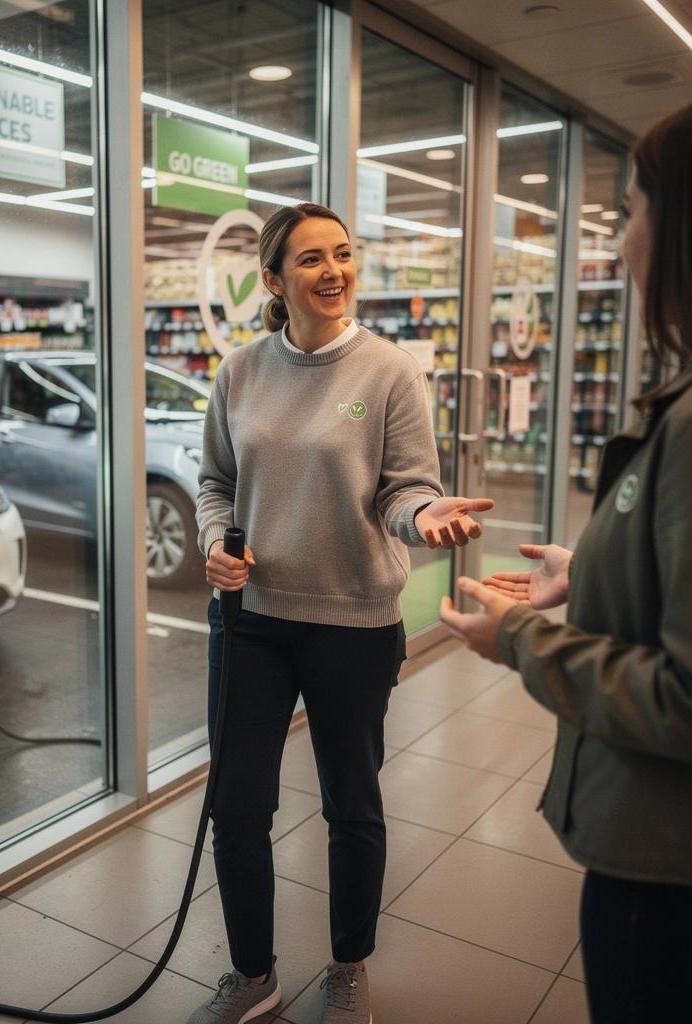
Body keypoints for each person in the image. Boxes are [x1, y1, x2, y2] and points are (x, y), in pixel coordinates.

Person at [187, 202, 493, 1024]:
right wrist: (215, 542)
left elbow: (407, 487)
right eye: (312, 260)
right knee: (239, 804)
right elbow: (215, 484)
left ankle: (349, 964)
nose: (334, 272)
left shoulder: (389, 371)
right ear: (275, 281)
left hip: (354, 620)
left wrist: (423, 517)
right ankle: (253, 975)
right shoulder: (240, 371)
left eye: (344, 255)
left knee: (351, 800)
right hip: (249, 617)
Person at [439, 102, 692, 1024]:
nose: (620, 244)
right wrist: (586, 578)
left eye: (629, 212)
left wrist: (522, 637)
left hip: (663, 872)